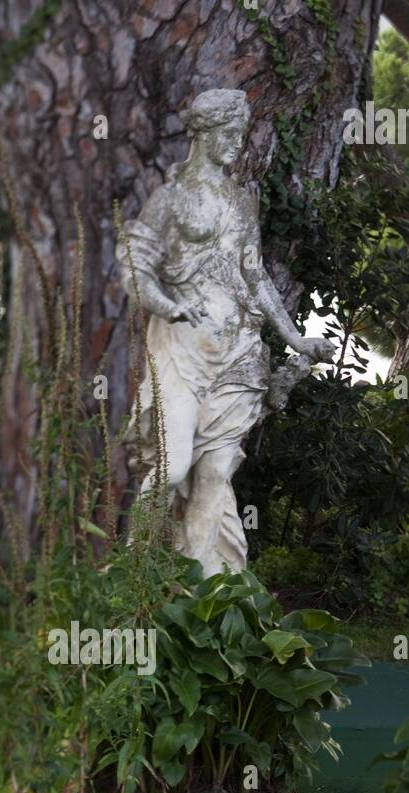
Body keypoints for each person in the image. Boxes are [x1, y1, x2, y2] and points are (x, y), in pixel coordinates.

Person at [118, 88, 333, 575]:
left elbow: (255, 276)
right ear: (204, 133)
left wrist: (295, 338)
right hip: (182, 351)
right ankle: (132, 576)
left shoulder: (240, 202)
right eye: (230, 134)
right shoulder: (170, 200)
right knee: (173, 469)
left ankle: (205, 589)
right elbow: (136, 268)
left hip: (238, 350)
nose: (239, 143)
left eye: (242, 133)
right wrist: (167, 306)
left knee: (216, 472)